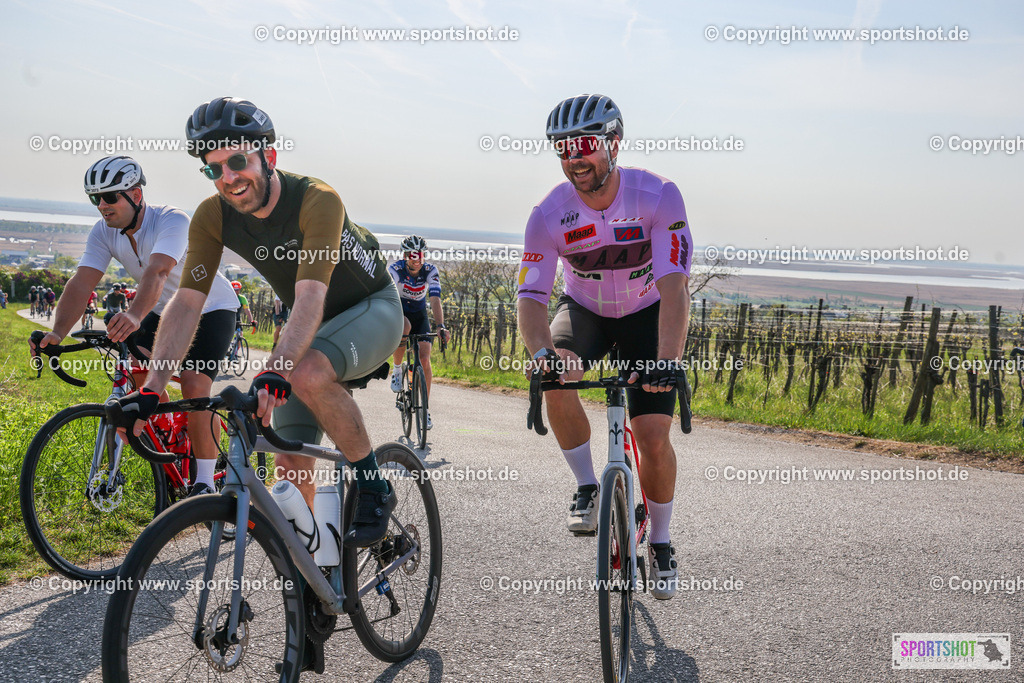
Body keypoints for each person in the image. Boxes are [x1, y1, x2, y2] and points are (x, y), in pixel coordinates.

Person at [113, 97, 403, 553]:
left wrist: (276, 368)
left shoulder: (317, 200)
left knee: (304, 372)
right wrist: (152, 387)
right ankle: (314, 583)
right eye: (214, 169)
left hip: (372, 308)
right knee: (289, 457)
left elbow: (310, 295)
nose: (228, 178)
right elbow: (188, 303)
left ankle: (374, 487)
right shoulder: (213, 216)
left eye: (237, 161)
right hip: (315, 327)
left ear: (268, 156)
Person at [517, 94, 693, 600]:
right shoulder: (548, 214)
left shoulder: (658, 196)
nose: (575, 157)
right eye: (562, 147)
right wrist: (542, 355)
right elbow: (530, 297)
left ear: (614, 143)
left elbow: (674, 288)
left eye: (586, 144)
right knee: (556, 374)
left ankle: (659, 542)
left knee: (653, 435)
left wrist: (668, 361)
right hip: (586, 312)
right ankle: (589, 486)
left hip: (646, 314)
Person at [31, 155, 238, 496]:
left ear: (136, 195)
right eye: (94, 198)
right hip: (162, 310)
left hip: (210, 306)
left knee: (193, 383)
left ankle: (204, 484)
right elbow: (81, 283)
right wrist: (57, 333)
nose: (102, 205)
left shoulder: (171, 220)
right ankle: (176, 432)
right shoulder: (104, 231)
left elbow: (158, 271)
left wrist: (133, 315)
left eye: (110, 197)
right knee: (140, 380)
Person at [387, 235, 450, 429]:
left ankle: (425, 409)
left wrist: (440, 326)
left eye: (420, 255)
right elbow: (386, 293)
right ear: (405, 255)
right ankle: (397, 370)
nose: (417, 259)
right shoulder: (395, 269)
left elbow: (435, 298)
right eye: (413, 255)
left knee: (424, 359)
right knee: (404, 327)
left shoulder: (430, 271)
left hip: (420, 314)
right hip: (399, 310)